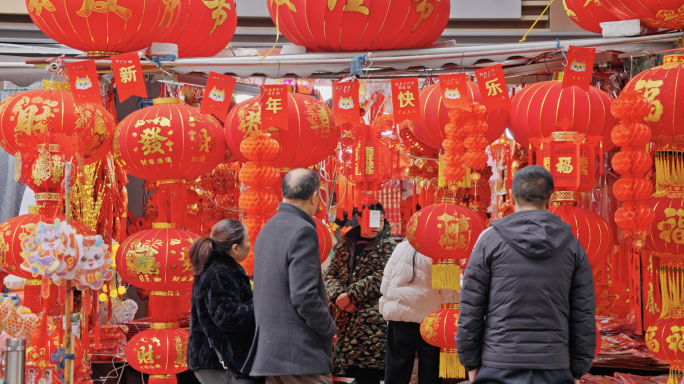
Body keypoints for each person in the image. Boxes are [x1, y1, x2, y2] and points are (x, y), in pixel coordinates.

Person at [456, 165, 596, 384]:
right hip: (554, 364)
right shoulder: (572, 246)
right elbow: (584, 313)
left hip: (499, 361)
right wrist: (578, 368)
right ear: (550, 199)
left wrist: (470, 362)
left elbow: (471, 308)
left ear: (511, 197)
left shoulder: (489, 241)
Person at [243, 168, 337, 384]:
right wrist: (328, 327)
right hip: (300, 353)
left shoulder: (268, 229)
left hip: (272, 352)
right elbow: (304, 296)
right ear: (314, 196)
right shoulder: (302, 229)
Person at [324, 203, 396, 384]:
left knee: (369, 373)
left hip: (374, 323)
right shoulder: (344, 246)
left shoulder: (389, 246)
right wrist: (338, 297)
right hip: (345, 319)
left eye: (379, 221)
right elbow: (330, 275)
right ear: (359, 219)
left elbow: (383, 276)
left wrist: (350, 295)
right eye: (371, 220)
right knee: (353, 371)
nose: (375, 226)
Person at [188, 219, 260, 384]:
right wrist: (261, 302)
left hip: (219, 361)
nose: (250, 245)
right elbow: (229, 317)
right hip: (219, 363)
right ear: (235, 248)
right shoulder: (219, 273)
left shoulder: (218, 269)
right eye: (248, 240)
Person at [380, 239, 454, 384]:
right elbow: (449, 292)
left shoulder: (401, 247)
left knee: (396, 371)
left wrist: (384, 310)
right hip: (431, 320)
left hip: (399, 317)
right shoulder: (442, 249)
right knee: (431, 372)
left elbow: (386, 283)